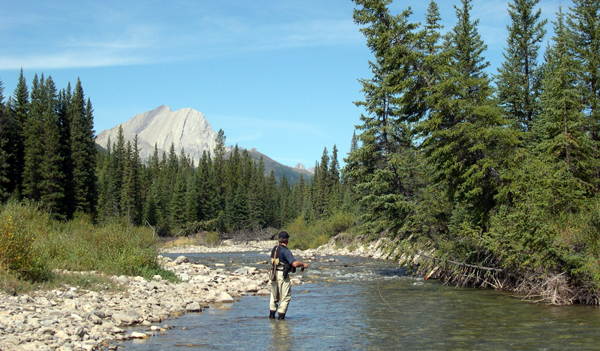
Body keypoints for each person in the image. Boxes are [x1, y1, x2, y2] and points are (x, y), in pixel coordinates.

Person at [269, 231, 309, 320]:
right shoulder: (285, 251)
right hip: (282, 275)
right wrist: (303, 264)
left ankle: (271, 318)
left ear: (279, 239)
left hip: (273, 274)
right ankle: (281, 319)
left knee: (274, 296)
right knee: (285, 297)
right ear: (287, 240)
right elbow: (294, 264)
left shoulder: (274, 249)